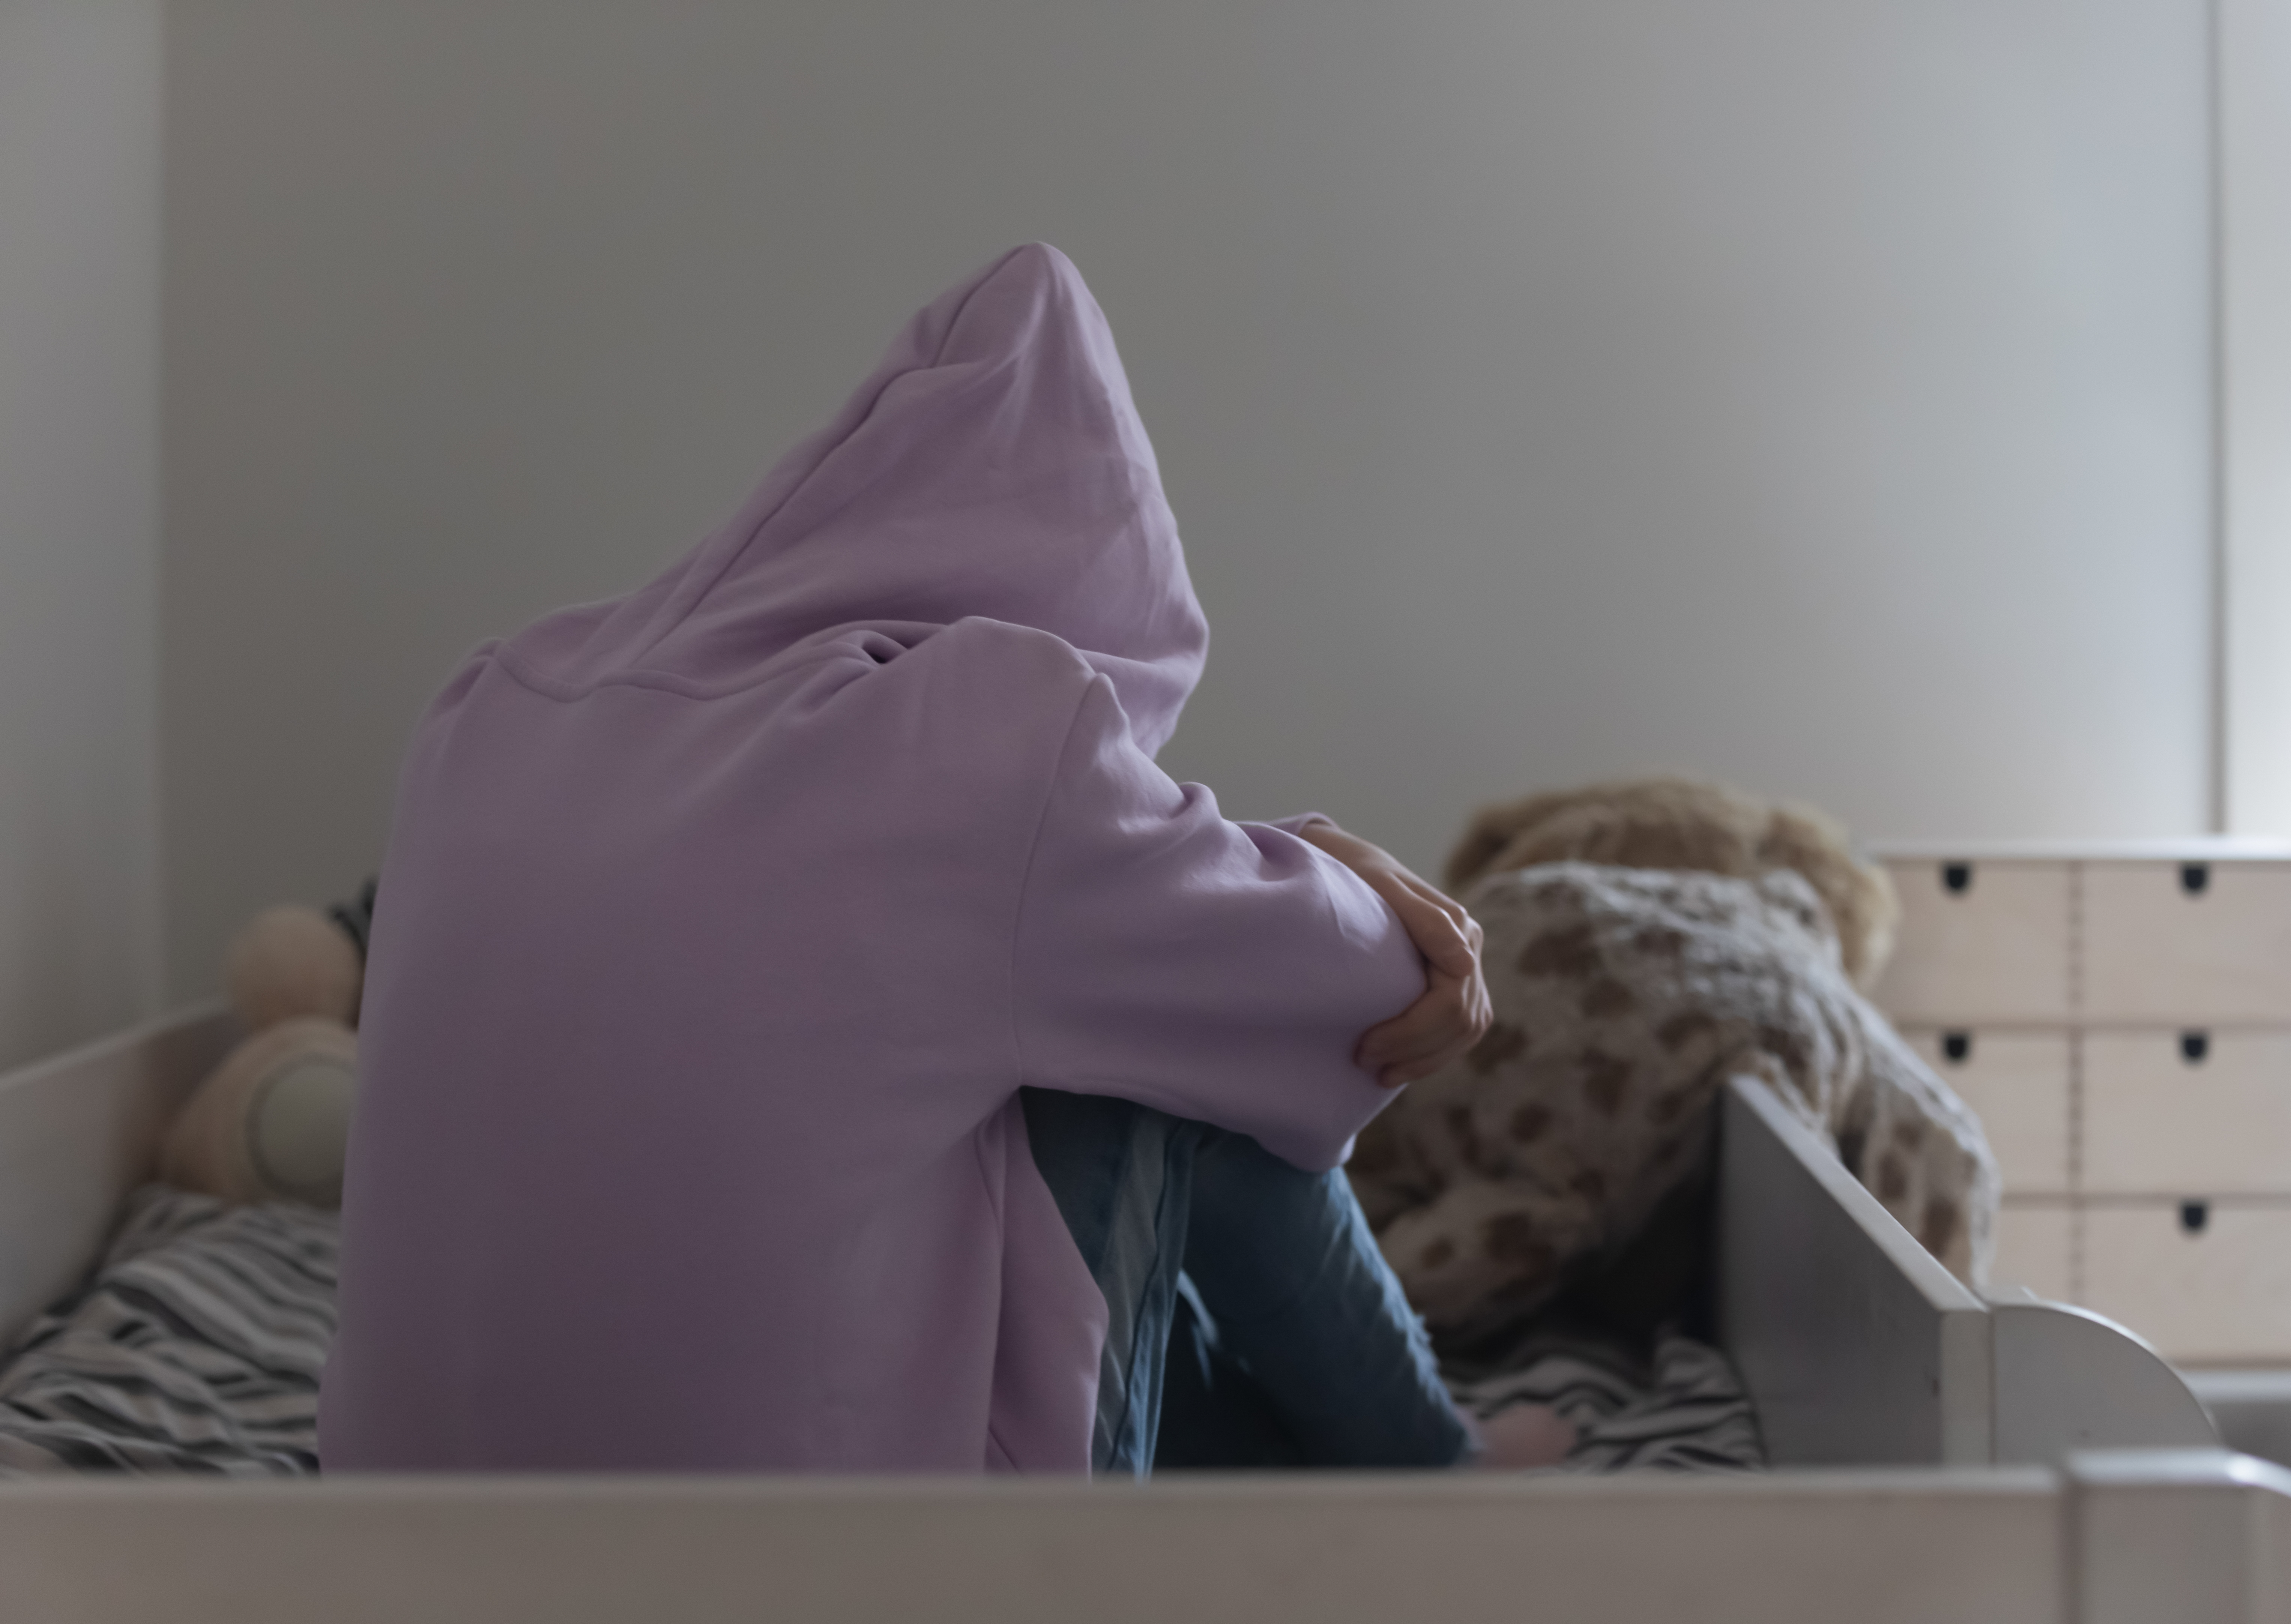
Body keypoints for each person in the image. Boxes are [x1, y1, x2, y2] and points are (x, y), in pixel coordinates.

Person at [317, 243, 1556, 1474]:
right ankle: (1431, 1469)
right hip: (848, 1572)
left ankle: (1355, 1473)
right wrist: (1320, 859)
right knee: (1176, 1057)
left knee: (1056, 1030)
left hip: (399, 1554)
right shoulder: (993, 737)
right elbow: (1366, 992)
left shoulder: (494, 699)